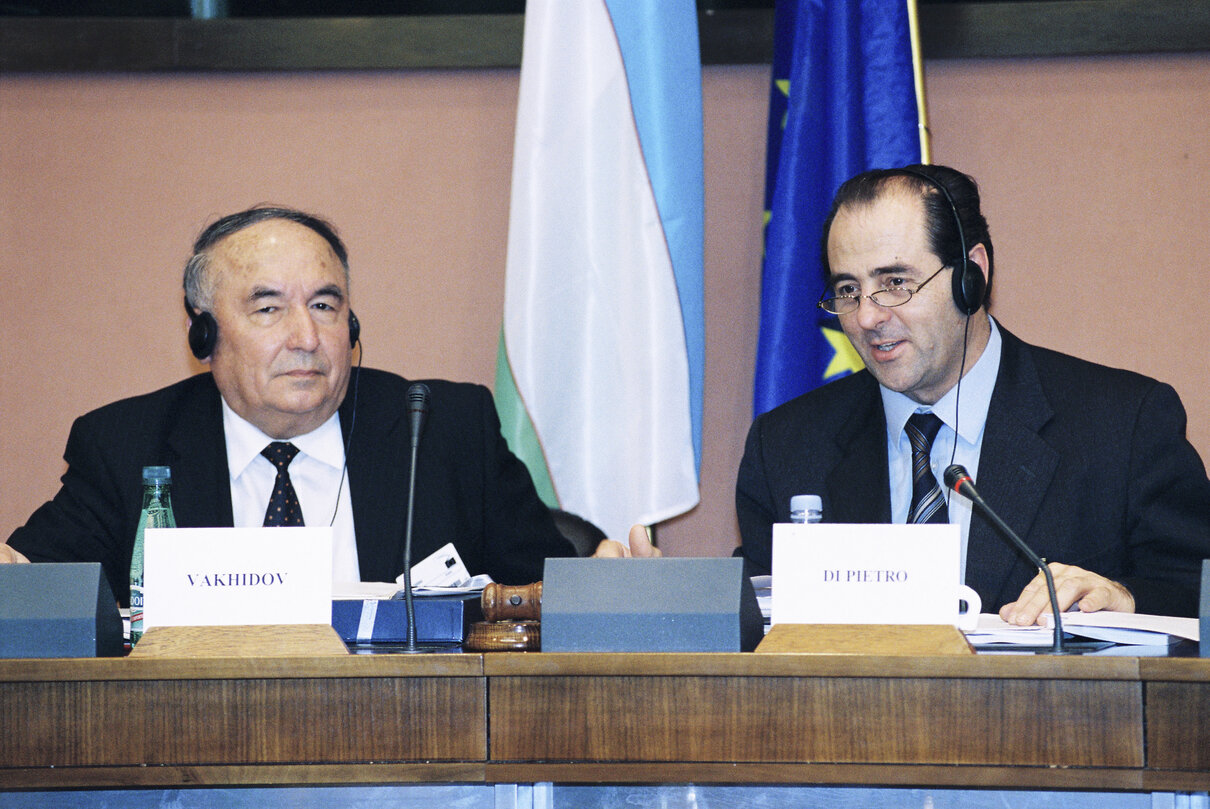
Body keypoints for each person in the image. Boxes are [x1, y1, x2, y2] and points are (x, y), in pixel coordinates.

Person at [2, 206, 653, 604]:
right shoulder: (127, 444)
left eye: (324, 305)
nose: (306, 337)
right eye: (268, 308)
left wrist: (606, 588)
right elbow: (33, 585)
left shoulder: (444, 429)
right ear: (204, 333)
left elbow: (551, 582)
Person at [736, 164, 1210, 624]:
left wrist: (1124, 598)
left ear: (972, 275)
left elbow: (1195, 589)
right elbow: (751, 619)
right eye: (847, 289)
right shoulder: (785, 446)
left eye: (895, 283)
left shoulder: (1122, 426)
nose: (865, 318)